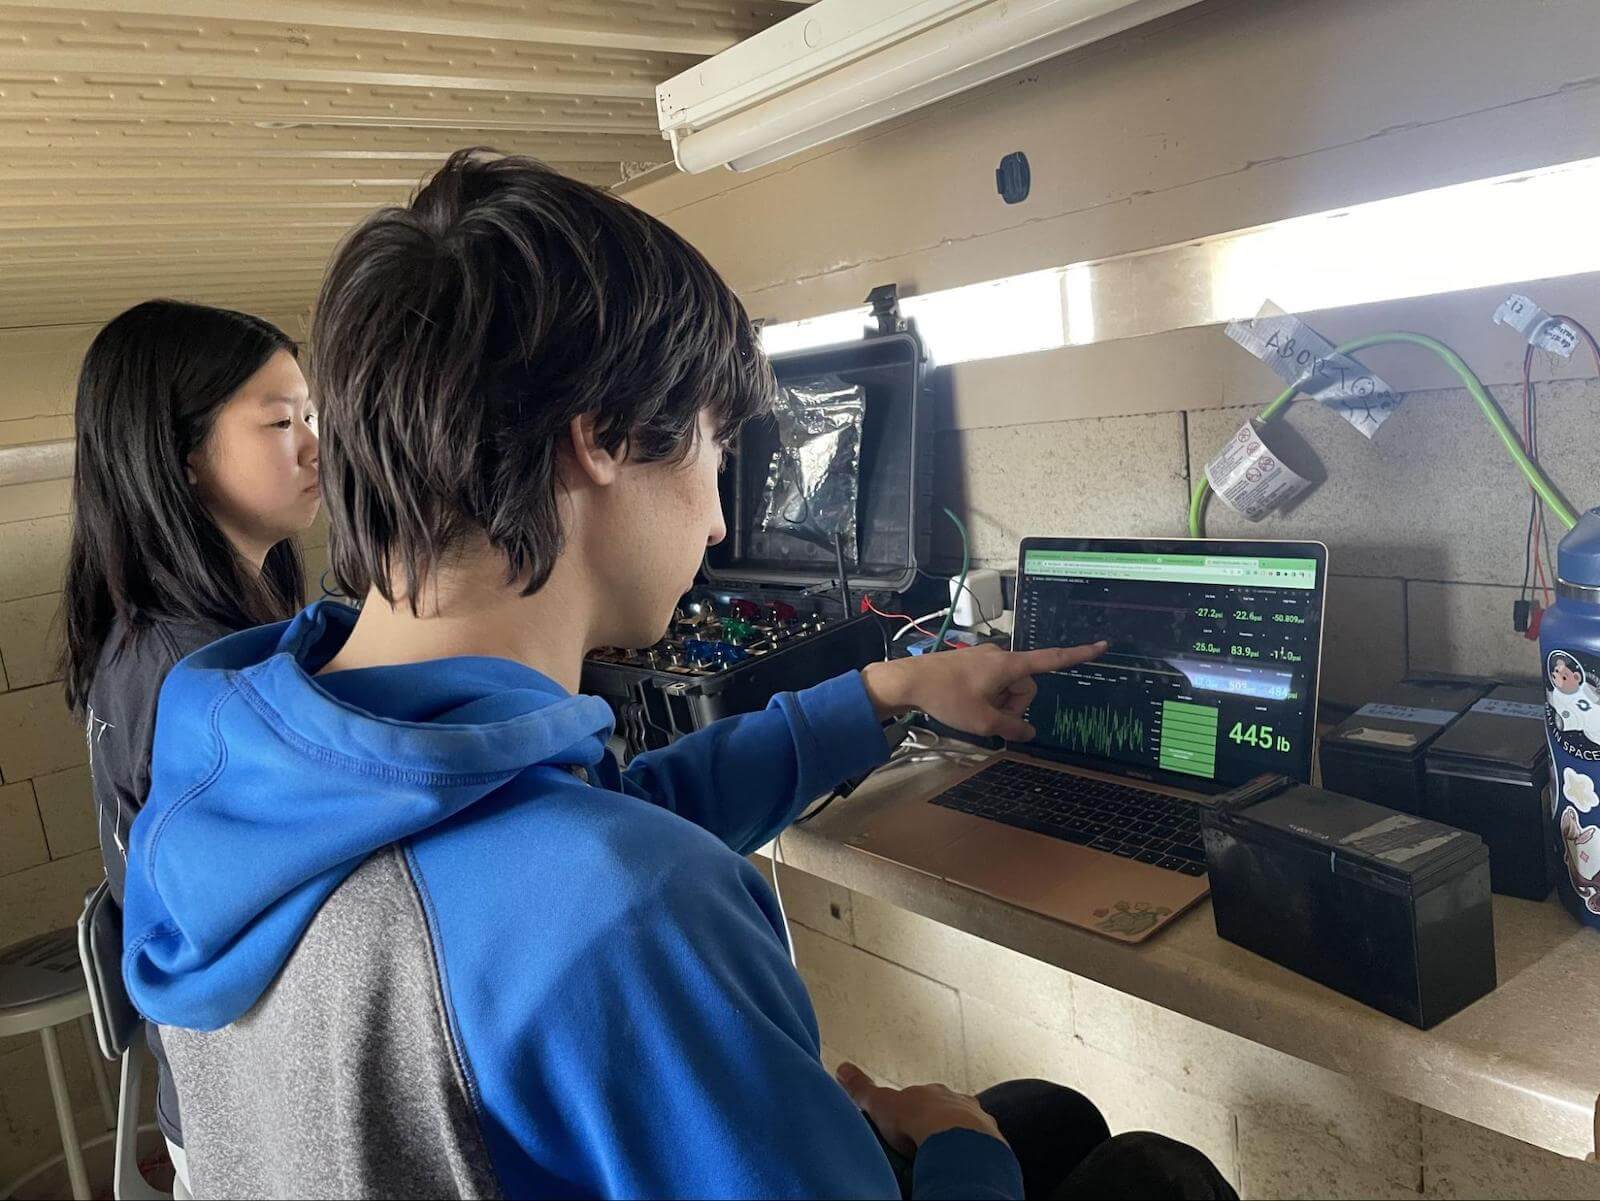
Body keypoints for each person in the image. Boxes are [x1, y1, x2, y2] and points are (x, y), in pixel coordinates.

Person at [119, 152, 1235, 1199]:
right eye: (714, 450)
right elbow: (602, 888)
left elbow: (572, 838)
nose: (712, 513)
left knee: (1045, 1111)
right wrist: (957, 1147)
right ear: (599, 438)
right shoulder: (625, 913)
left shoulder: (241, 757)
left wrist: (887, 693)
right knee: (1145, 1168)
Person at [61, 299, 321, 1190]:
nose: (315, 443)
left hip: (213, 1086)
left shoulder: (155, 631)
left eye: (313, 415)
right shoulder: (198, 668)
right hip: (255, 1112)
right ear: (182, 462)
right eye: (283, 422)